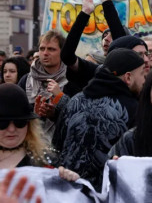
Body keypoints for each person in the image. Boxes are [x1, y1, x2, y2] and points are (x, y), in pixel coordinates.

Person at [54, 48, 146, 189]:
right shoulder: (135, 109)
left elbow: (56, 146)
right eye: (142, 74)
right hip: (108, 192)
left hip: (67, 189)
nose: (144, 80)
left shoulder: (75, 100)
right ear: (128, 77)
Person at [0, 84, 78, 181]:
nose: (11, 129)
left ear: (29, 125)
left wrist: (68, 184)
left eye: (19, 122)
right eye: (2, 123)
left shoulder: (47, 161)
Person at [18, 30, 80, 139]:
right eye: (42, 49)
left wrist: (59, 102)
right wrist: (34, 113)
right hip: (31, 142)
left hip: (62, 144)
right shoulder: (26, 80)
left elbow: (80, 117)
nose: (45, 53)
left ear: (63, 52)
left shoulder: (74, 80)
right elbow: (16, 112)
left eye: (51, 49)